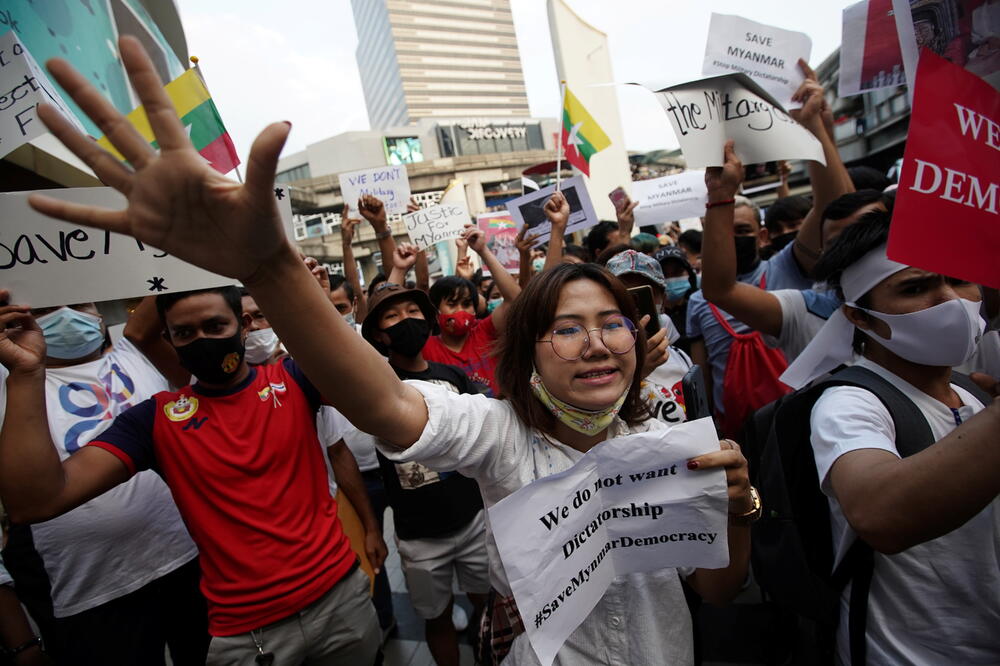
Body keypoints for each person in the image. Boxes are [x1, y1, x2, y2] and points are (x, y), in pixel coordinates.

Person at [21, 37, 757, 665]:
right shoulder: (499, 432)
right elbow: (385, 403)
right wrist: (268, 267)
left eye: (613, 323)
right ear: (526, 350)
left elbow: (718, 589)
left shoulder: (668, 445)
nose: (595, 343)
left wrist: (736, 510)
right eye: (567, 328)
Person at [0, 285, 379, 664]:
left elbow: (379, 389)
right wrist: (27, 374)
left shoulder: (294, 379)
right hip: (249, 634)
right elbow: (36, 501)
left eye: (214, 326)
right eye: (185, 333)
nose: (202, 341)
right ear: (167, 340)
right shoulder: (155, 420)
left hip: (341, 602)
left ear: (244, 324)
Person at [781, 213, 1000, 664]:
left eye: (959, 280)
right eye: (915, 288)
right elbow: (879, 512)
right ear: (860, 317)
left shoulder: (973, 393)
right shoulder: (848, 403)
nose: (950, 301)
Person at [0, 296, 207, 666]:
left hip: (187, 562)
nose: (66, 314)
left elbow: (162, 280)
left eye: (81, 304)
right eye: (45, 309)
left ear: (99, 314)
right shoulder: (11, 381)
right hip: (89, 591)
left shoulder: (136, 350)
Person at [361, 282, 489, 666]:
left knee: (488, 604)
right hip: (419, 537)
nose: (406, 320)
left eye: (413, 311)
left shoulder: (454, 377)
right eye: (392, 315)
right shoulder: (374, 386)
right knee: (437, 619)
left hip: (472, 519)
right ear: (379, 334)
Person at [422, 226, 522, 396]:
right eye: (452, 304)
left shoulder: (486, 332)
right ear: (436, 311)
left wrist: (483, 250)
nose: (460, 311)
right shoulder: (426, 348)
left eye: (467, 304)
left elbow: (515, 300)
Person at [603, 249, 693, 426]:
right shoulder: (600, 362)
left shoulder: (680, 356)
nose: (634, 306)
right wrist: (636, 373)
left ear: (663, 301)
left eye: (643, 294)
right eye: (624, 295)